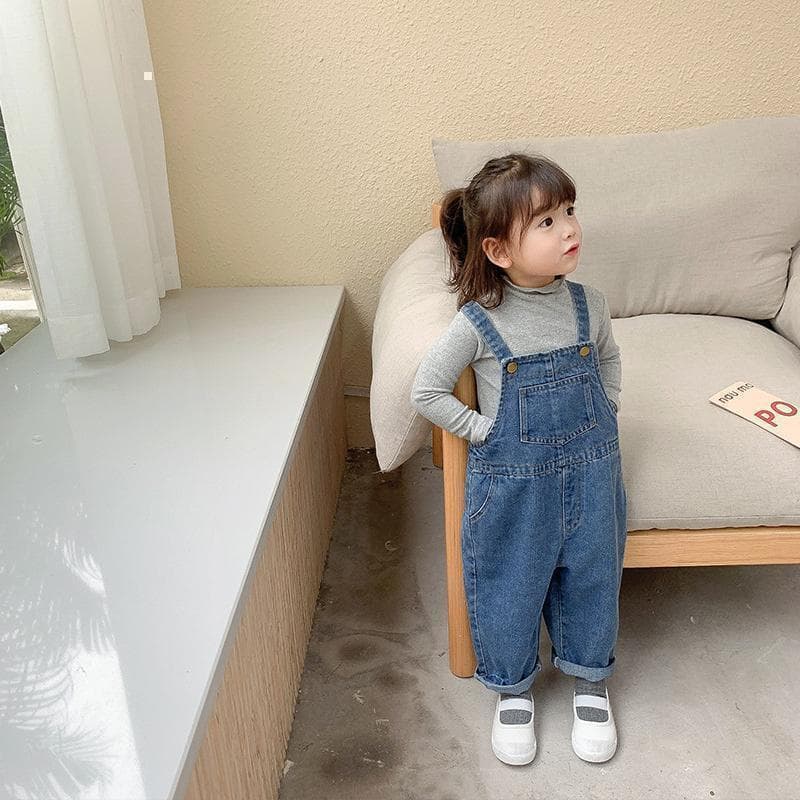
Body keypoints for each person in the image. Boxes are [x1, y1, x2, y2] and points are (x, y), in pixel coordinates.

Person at [410, 152, 627, 766]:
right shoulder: (479, 323)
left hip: (593, 476)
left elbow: (609, 358)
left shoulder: (589, 305)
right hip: (513, 487)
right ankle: (512, 687)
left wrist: (608, 406)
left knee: (593, 576)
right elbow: (427, 390)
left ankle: (590, 678)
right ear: (499, 250)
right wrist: (481, 430)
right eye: (547, 222)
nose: (570, 229)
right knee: (509, 581)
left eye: (569, 212)